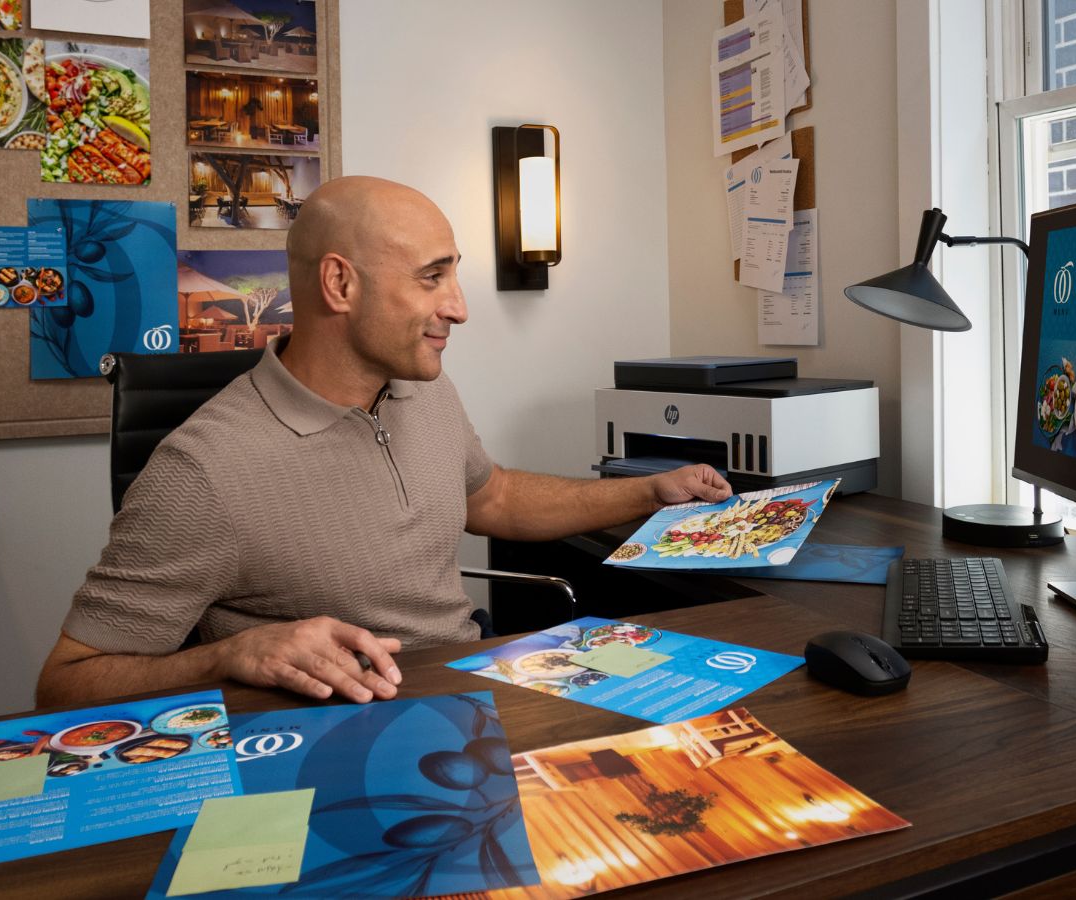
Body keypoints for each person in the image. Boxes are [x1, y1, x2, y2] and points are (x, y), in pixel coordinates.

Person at [36, 177, 730, 708]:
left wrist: (648, 492)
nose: (458, 306)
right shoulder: (203, 471)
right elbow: (65, 685)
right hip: (352, 733)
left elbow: (498, 498)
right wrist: (227, 657)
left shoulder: (422, 388)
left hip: (469, 690)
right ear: (340, 283)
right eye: (433, 277)